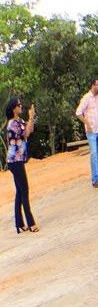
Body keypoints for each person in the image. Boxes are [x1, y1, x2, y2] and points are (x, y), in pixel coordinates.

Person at [5, 97, 38, 233]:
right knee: (24, 190)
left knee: (20, 191)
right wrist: (30, 118)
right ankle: (31, 223)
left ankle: (19, 224)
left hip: (18, 160)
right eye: (19, 105)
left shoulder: (20, 121)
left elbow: (29, 132)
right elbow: (24, 134)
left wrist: (31, 118)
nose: (21, 107)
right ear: (14, 108)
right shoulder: (12, 123)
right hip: (15, 160)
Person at [75, 79, 98, 186]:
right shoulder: (86, 98)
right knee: (94, 154)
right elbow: (78, 112)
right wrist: (87, 123)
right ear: (93, 85)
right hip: (91, 131)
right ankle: (95, 178)